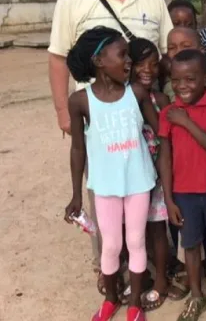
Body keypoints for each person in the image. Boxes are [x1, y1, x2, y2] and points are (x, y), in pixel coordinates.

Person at [48, 0, 172, 286]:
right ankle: (110, 271)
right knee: (102, 190)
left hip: (142, 113)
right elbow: (57, 57)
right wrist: (61, 111)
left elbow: (166, 51)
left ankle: (153, 267)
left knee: (149, 193)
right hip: (99, 117)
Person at [64, 27, 159, 321]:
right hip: (105, 185)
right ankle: (111, 299)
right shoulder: (80, 101)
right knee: (112, 245)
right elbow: (78, 149)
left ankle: (134, 306)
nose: (129, 62)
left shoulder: (137, 93)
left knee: (136, 241)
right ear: (99, 60)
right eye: (122, 56)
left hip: (138, 181)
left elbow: (162, 132)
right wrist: (77, 194)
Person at [158, 49, 206, 321]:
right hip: (183, 194)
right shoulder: (169, 114)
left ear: (205, 79)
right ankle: (196, 295)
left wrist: (186, 122)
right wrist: (168, 200)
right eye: (176, 81)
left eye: (190, 79)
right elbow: (165, 159)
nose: (182, 87)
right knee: (190, 246)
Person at [126, 38, 189, 310]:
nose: (148, 70)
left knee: (156, 230)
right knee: (132, 232)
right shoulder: (121, 98)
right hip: (129, 176)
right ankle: (142, 276)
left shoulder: (160, 99)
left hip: (156, 175)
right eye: (141, 63)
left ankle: (162, 279)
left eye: (153, 64)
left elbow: (166, 136)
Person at [164, 27, 206, 102]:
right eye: (172, 48)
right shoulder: (168, 88)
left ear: (201, 50)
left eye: (186, 46)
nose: (178, 51)